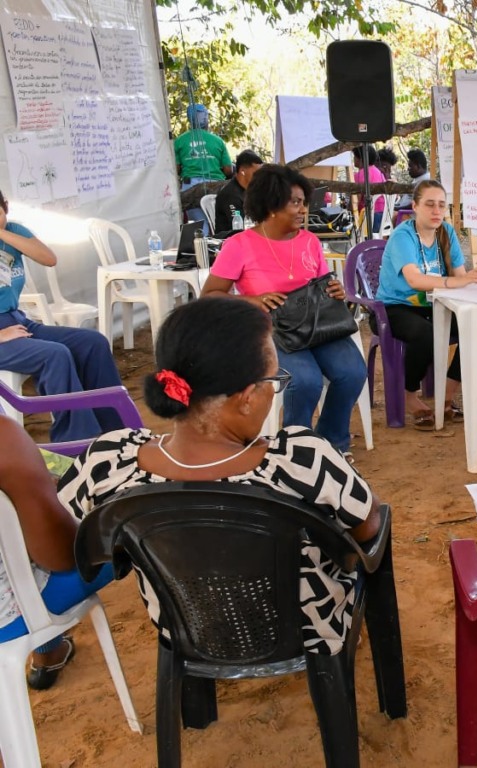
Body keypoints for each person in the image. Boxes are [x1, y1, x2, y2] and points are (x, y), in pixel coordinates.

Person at [58, 297, 381, 656]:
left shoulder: (107, 462)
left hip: (185, 632)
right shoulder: (300, 460)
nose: (275, 390)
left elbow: (68, 537)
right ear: (246, 397)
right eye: (274, 379)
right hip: (307, 632)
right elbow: (368, 528)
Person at [201, 164, 366, 456]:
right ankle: (297, 450)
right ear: (272, 205)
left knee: (352, 372)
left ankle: (331, 443)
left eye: (304, 202)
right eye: (296, 203)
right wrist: (253, 300)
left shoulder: (310, 241)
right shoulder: (239, 245)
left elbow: (321, 283)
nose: (304, 210)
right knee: (304, 381)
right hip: (273, 330)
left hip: (318, 325)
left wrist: (335, 290)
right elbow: (210, 296)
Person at [0, 188, 125, 443]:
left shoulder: (13, 231)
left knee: (92, 343)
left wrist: (2, 232)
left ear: (5, 208)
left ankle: (117, 432)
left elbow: (48, 258)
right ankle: (76, 442)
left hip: (16, 320)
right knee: (54, 355)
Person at [0, 416, 113, 690]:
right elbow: (62, 557)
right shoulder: (4, 439)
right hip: (10, 616)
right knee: (126, 531)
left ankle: (49, 652)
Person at [377, 179, 477, 430]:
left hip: (434, 304)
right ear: (415, 206)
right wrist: (460, 281)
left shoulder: (446, 233)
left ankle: (447, 396)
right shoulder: (402, 236)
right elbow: (415, 280)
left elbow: (460, 276)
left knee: (475, 327)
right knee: (427, 335)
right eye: (429, 205)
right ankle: (409, 395)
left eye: (441, 205)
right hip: (394, 308)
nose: (437, 211)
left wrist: (472, 276)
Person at [172, 104, 232, 232]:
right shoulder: (217, 140)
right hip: (216, 186)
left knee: (200, 227)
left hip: (190, 187)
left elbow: (175, 169)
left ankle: (201, 250)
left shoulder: (179, 141)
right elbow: (228, 170)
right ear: (206, 118)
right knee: (219, 224)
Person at [213, 149, 263, 235]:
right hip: (230, 241)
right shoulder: (230, 195)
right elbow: (239, 227)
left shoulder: (252, 190)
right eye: (256, 173)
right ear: (243, 171)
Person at [353, 146, 387, 234]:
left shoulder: (360, 174)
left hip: (369, 217)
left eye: (354, 156)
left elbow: (356, 201)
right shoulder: (378, 171)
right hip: (383, 215)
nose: (353, 159)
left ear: (360, 159)